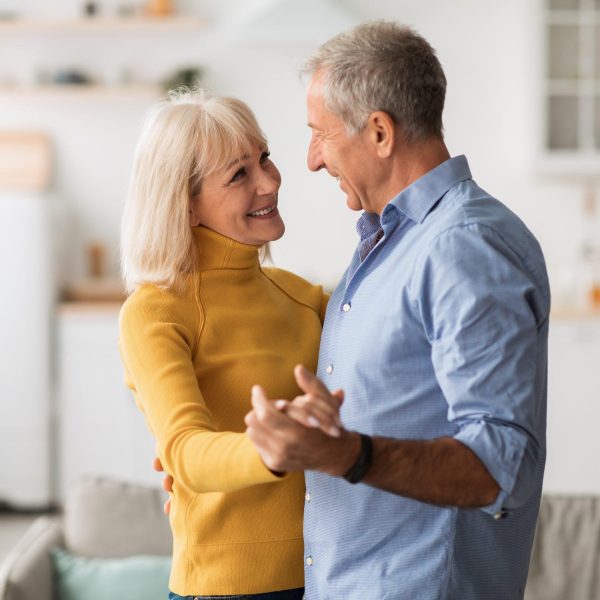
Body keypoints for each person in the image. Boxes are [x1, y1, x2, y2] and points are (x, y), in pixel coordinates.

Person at [243, 21, 551, 599]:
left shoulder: (463, 247)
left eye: (320, 134)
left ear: (379, 131)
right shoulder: (393, 243)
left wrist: (347, 454)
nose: (310, 160)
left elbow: (500, 464)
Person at [118, 89, 340, 599]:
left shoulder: (304, 297)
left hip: (330, 576)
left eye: (264, 158)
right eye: (239, 174)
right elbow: (184, 450)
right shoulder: (155, 311)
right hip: (224, 589)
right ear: (185, 202)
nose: (269, 182)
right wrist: (277, 447)